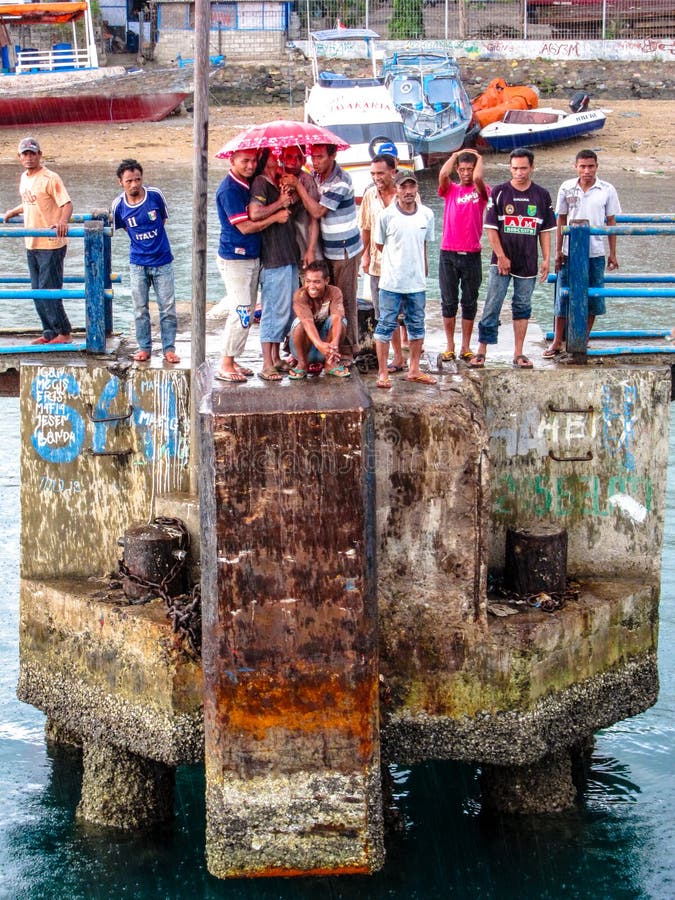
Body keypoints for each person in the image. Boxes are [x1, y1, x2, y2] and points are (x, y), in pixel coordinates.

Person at [470, 148, 556, 370]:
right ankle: (482, 350)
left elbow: (545, 230)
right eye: (515, 168)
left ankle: (518, 353)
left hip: (528, 260)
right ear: (510, 168)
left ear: (532, 168)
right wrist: (501, 256)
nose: (519, 172)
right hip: (501, 260)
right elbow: (490, 229)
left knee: (522, 305)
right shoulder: (499, 192)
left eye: (523, 168)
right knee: (492, 303)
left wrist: (547, 258)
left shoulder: (542, 195)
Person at [213, 150, 291, 383]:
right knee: (241, 311)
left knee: (245, 310)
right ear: (232, 161)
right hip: (236, 257)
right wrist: (276, 215)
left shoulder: (246, 183)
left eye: (253, 161)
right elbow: (245, 227)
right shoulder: (229, 189)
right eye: (244, 161)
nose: (250, 165)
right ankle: (225, 363)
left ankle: (233, 358)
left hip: (251, 255)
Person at [286, 143, 363, 364]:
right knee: (322, 295)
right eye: (313, 157)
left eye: (320, 157)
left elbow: (317, 211)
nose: (315, 161)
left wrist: (298, 186)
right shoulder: (318, 178)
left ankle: (347, 350)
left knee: (345, 299)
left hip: (345, 249)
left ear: (333, 155)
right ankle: (318, 344)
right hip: (328, 247)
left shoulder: (340, 180)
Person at [544, 149, 621, 357]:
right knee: (563, 295)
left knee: (594, 296)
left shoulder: (606, 189)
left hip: (595, 251)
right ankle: (557, 340)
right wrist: (558, 250)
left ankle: (583, 337)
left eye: (591, 166)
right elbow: (561, 219)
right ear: (575, 167)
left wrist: (613, 252)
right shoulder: (567, 188)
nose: (587, 171)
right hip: (569, 251)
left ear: (597, 166)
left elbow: (611, 221)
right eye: (583, 166)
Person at [4, 137, 73, 345]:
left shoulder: (50, 178)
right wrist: (13, 211)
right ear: (19, 157)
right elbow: (30, 202)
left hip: (50, 244)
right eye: (25, 154)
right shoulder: (25, 178)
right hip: (31, 242)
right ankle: (50, 332)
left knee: (47, 289)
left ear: (40, 155)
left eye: (32, 153)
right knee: (36, 291)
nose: (29, 157)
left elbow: (67, 204)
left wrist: (62, 222)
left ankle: (64, 332)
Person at [111, 159, 180, 364]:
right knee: (140, 308)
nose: (134, 184)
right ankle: (144, 348)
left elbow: (163, 220)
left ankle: (169, 348)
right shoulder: (118, 205)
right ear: (121, 182)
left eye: (138, 179)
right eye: (129, 181)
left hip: (162, 261)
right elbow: (123, 228)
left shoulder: (155, 196)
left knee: (167, 307)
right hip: (137, 263)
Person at [373, 171, 436, 389]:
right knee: (385, 325)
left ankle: (414, 368)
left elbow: (425, 244)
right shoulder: (386, 216)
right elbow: (379, 245)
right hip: (391, 282)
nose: (408, 192)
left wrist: (423, 268)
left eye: (412, 187)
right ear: (397, 189)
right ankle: (382, 372)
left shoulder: (427, 215)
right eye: (403, 187)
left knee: (417, 325)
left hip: (416, 282)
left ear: (416, 188)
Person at [249, 149, 299, 381]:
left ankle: (276, 357)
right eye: (273, 158)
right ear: (265, 161)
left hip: (288, 253)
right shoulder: (260, 183)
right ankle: (267, 362)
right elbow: (255, 213)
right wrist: (280, 203)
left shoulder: (276, 182)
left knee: (286, 310)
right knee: (273, 310)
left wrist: (286, 194)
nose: (278, 161)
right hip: (274, 255)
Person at [438, 148, 490, 362]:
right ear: (458, 170)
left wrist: (479, 158)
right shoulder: (451, 190)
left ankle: (466, 346)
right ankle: (450, 344)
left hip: (471, 253)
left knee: (469, 301)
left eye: (469, 169)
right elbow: (443, 175)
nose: (467, 173)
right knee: (448, 301)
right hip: (448, 252)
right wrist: (454, 156)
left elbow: (478, 177)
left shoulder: (482, 190)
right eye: (462, 169)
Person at [358, 153, 407, 373]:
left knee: (406, 313)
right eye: (373, 173)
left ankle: (408, 357)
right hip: (378, 265)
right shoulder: (370, 195)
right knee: (384, 314)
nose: (376, 177)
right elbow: (366, 227)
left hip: (403, 264)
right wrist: (365, 255)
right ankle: (396, 357)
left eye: (380, 173)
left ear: (392, 172)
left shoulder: (406, 194)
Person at [287, 260, 350, 380]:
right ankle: (302, 364)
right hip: (306, 348)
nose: (311, 286)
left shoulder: (334, 292)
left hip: (328, 350)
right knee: (299, 323)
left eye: (316, 282)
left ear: (326, 281)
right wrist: (320, 345)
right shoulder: (300, 295)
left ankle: (330, 364)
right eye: (308, 281)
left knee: (342, 321)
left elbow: (337, 318)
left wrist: (334, 346)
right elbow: (307, 323)